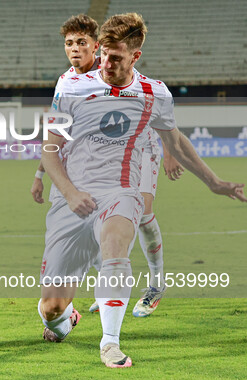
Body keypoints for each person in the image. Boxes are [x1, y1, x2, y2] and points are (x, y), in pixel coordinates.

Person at [38, 12, 245, 368]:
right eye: (103, 53)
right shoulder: (72, 86)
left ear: (135, 56)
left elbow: (176, 143)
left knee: (117, 246)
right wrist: (69, 193)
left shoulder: (154, 92)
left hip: (121, 191)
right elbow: (50, 148)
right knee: (51, 308)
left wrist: (215, 183)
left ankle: (110, 343)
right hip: (71, 199)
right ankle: (65, 316)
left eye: (116, 57)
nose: (106, 62)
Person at [30, 14, 184, 318]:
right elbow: (57, 136)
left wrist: (170, 151)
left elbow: (156, 116)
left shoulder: (120, 70)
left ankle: (155, 284)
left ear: (96, 46)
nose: (75, 49)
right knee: (91, 218)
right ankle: (103, 289)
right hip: (89, 163)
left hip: (138, 151)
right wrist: (40, 174)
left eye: (82, 43)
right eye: (69, 43)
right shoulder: (68, 82)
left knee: (142, 214)